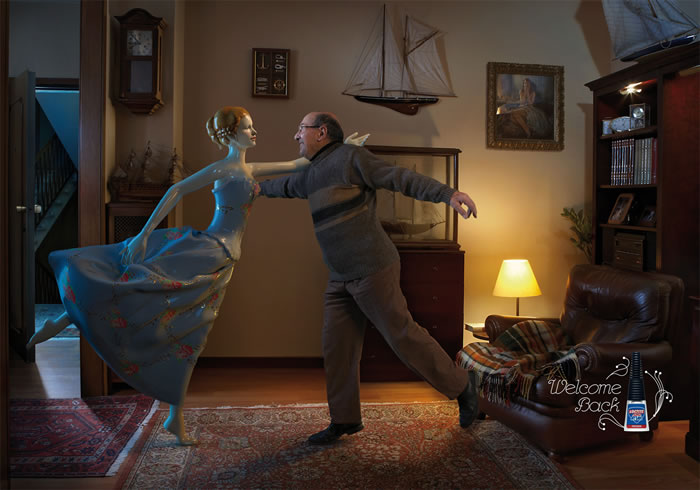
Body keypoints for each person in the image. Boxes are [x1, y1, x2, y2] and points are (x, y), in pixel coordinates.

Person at [27, 106, 368, 445]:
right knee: (146, 287)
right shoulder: (223, 169)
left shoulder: (247, 169)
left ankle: (174, 417)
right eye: (248, 128)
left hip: (225, 259)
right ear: (230, 135)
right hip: (211, 250)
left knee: (192, 334)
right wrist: (144, 233)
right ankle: (68, 317)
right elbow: (175, 191)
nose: (254, 133)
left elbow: (298, 164)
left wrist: (342, 148)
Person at [258, 112, 480, 444]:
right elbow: (287, 186)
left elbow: (399, 177)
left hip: (373, 268)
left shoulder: (351, 158)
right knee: (337, 347)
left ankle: (463, 386)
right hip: (340, 277)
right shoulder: (312, 173)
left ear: (321, 132)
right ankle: (344, 419)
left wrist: (446, 194)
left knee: (402, 336)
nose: (296, 136)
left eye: (301, 129)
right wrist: (257, 189)